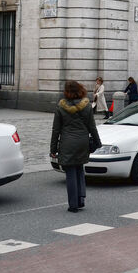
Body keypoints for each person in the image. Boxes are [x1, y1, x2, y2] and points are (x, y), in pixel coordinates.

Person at [49, 80, 101, 213]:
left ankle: (73, 205)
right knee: (79, 169)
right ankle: (81, 199)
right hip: (82, 142)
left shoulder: (61, 106)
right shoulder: (87, 106)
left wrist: (53, 149)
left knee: (70, 173)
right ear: (80, 89)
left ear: (66, 92)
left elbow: (56, 129)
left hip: (67, 142)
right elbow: (92, 127)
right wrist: (97, 142)